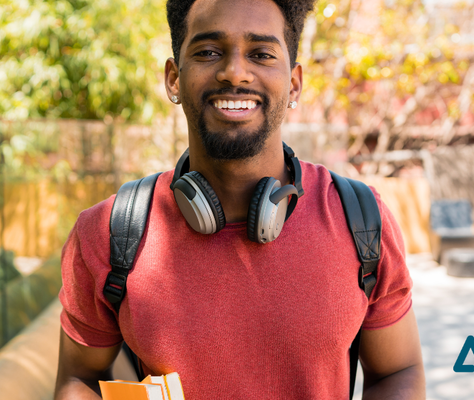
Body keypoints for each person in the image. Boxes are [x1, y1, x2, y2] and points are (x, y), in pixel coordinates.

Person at [54, 0, 425, 399]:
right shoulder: (109, 232)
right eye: (209, 52)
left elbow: (398, 371)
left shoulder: (362, 220)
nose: (234, 72)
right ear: (174, 79)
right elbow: (78, 379)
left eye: (261, 54)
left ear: (294, 83)